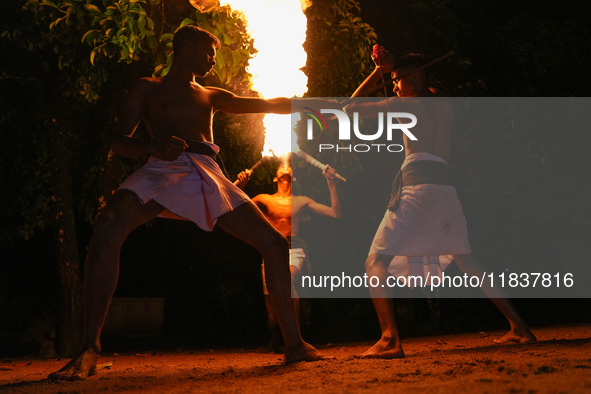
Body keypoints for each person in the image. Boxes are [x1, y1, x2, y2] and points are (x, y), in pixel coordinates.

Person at [49, 25, 331, 380]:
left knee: (275, 244)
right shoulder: (147, 88)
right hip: (163, 169)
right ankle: (89, 348)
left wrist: (311, 107)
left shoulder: (210, 95)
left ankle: (295, 345)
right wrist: (151, 147)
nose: (213, 60)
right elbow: (118, 141)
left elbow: (264, 104)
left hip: (209, 172)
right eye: (208, 52)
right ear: (186, 46)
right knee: (107, 225)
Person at [348, 50, 536, 359]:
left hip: (416, 189)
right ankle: (520, 328)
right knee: (468, 260)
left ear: (415, 77)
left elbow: (351, 106)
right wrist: (392, 71)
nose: (393, 86)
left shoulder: (404, 105)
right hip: (445, 190)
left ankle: (389, 339)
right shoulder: (444, 103)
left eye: (396, 80)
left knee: (374, 261)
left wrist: (378, 72)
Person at [237, 164, 341, 352]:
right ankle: (278, 337)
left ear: (293, 177)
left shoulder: (301, 201)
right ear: (275, 177)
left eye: (289, 166)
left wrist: (331, 182)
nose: (285, 166)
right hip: (270, 253)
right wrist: (241, 185)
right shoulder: (264, 199)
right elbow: (233, 208)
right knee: (272, 317)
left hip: (295, 249)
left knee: (288, 280)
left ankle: (296, 341)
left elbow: (335, 213)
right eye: (281, 165)